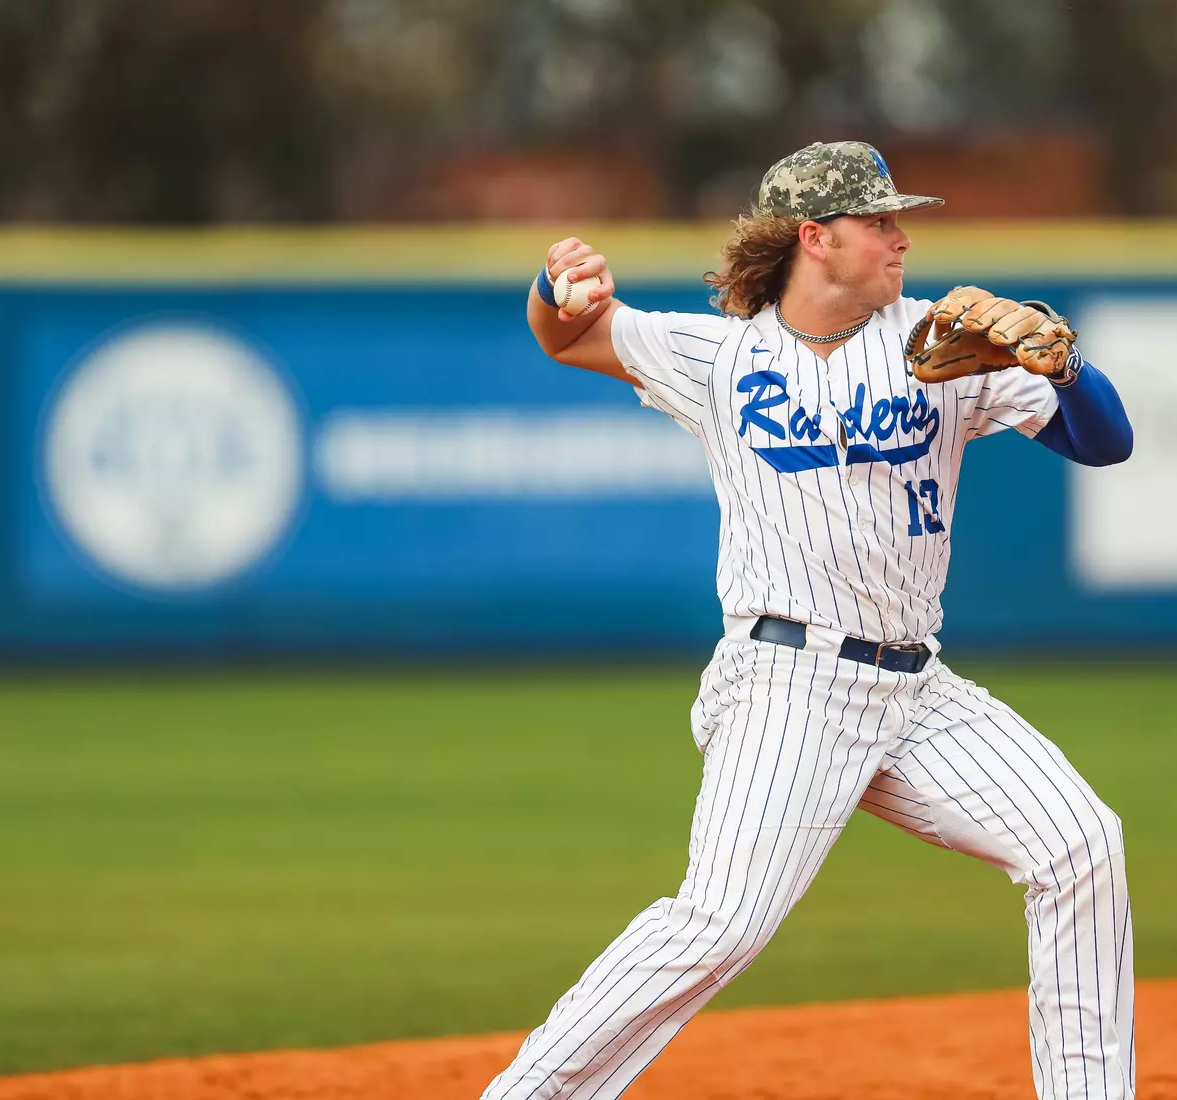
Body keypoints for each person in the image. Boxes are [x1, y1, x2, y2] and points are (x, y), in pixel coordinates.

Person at [483, 140, 1136, 1100]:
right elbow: (566, 335)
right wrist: (556, 286)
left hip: (918, 693)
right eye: (879, 221)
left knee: (1080, 844)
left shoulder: (942, 343)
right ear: (816, 237)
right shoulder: (718, 354)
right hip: (787, 682)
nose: (902, 236)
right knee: (719, 925)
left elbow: (1106, 443)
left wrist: (1069, 369)